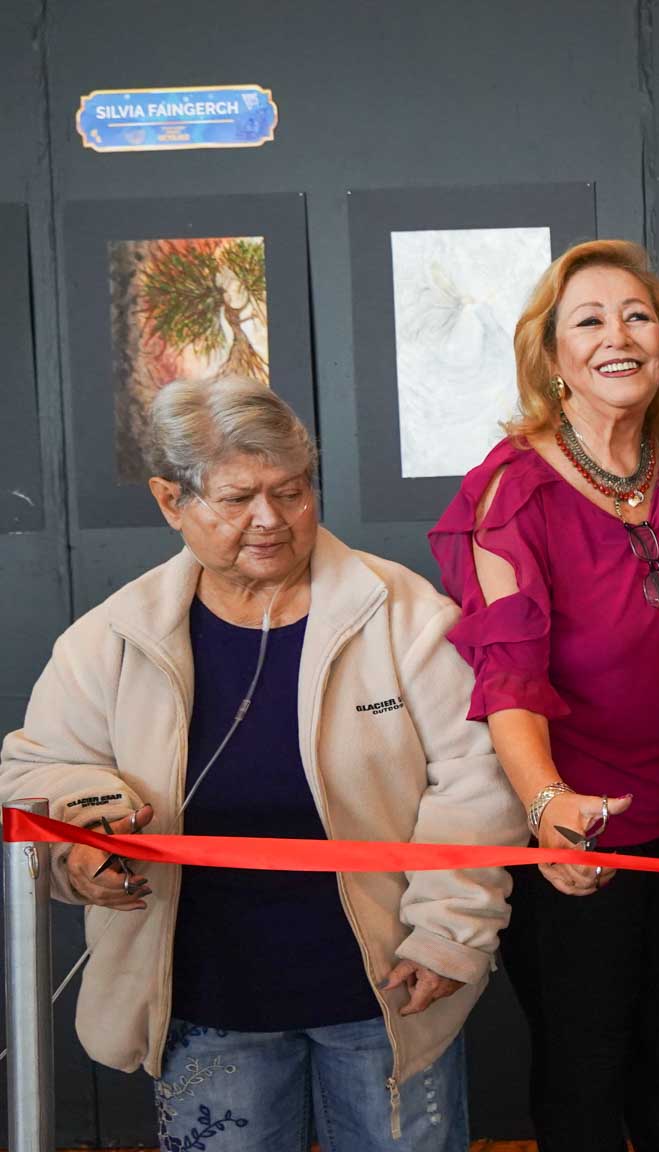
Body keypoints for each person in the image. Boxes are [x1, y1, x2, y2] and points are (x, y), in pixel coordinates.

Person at [0, 380, 524, 1152]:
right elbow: (39, 770)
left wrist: (450, 933)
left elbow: (476, 778)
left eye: (292, 491)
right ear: (171, 501)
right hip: (203, 999)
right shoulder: (112, 638)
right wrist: (84, 843)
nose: (271, 520)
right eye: (238, 498)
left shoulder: (405, 615)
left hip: (387, 986)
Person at [428, 238, 659, 1152]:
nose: (618, 336)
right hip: (576, 830)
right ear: (551, 354)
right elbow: (509, 677)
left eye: (638, 317)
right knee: (583, 1086)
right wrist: (549, 809)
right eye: (589, 320)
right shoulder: (512, 492)